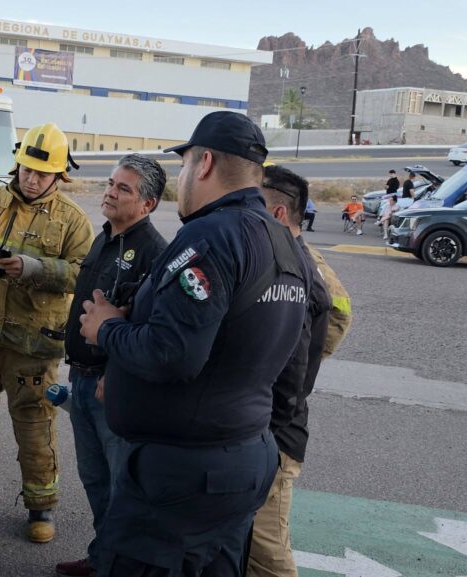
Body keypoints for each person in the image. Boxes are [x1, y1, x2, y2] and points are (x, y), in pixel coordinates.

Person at [78, 111, 309, 576]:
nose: (181, 179)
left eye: (182, 167)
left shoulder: (211, 235)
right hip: (244, 455)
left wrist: (106, 328)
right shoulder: (283, 241)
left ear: (203, 163)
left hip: (183, 477)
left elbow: (173, 354)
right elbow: (291, 353)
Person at [0, 123, 93, 543]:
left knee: (34, 426)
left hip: (34, 346)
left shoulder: (73, 220)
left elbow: (83, 275)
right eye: (27, 168)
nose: (31, 178)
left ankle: (41, 508)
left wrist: (33, 268)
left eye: (42, 173)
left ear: (59, 175)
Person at [56, 154, 168, 577]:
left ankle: (120, 565)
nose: (110, 192)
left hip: (113, 388)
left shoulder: (154, 253)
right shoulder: (104, 237)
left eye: (124, 188)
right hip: (81, 380)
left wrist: (114, 375)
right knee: (95, 480)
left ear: (148, 204)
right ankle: (104, 556)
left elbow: (149, 329)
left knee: (124, 487)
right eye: (110, 183)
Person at [247, 166, 346, 577]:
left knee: (268, 553)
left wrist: (300, 360)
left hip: (277, 432)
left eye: (254, 205)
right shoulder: (280, 257)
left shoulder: (301, 266)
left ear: (280, 213)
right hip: (259, 424)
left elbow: (338, 317)